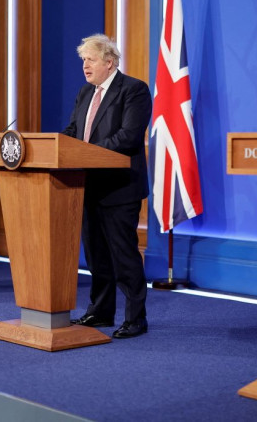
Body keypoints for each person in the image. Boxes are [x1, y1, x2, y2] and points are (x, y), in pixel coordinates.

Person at [63, 34, 152, 338]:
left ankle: (136, 319)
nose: (84, 65)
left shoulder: (134, 90)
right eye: (83, 60)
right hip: (87, 185)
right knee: (96, 255)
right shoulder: (85, 93)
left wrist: (89, 153)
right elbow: (74, 131)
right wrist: (57, 146)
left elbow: (128, 136)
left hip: (119, 188)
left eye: (90, 59)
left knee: (123, 254)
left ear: (109, 62)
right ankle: (100, 311)